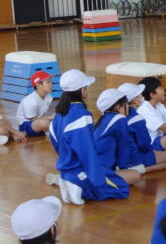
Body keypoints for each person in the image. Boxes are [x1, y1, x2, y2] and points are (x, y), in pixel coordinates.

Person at [47, 69, 131, 205]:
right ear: (82, 90)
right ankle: (81, 187)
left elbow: (55, 141)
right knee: (121, 188)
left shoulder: (58, 115)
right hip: (80, 170)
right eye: (86, 87)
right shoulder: (82, 114)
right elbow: (87, 151)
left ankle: (68, 179)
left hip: (66, 169)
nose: (88, 90)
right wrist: (97, 179)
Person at [92, 89, 143, 184]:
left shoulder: (104, 118)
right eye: (126, 103)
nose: (128, 106)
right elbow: (123, 147)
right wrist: (124, 168)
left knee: (136, 171)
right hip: (101, 170)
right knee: (136, 174)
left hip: (94, 167)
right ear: (118, 107)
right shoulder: (119, 118)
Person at [117, 83, 166, 173]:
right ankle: (139, 169)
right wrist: (151, 151)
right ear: (134, 100)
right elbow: (144, 144)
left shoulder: (117, 116)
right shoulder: (136, 118)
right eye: (139, 95)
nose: (142, 97)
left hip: (119, 157)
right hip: (133, 157)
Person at [16, 71, 54, 137]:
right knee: (45, 122)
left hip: (36, 121)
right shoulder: (31, 100)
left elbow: (41, 114)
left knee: (58, 119)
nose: (51, 84)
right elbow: (32, 119)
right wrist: (50, 117)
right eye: (48, 82)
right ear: (38, 85)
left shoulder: (49, 97)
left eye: (51, 82)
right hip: (26, 125)